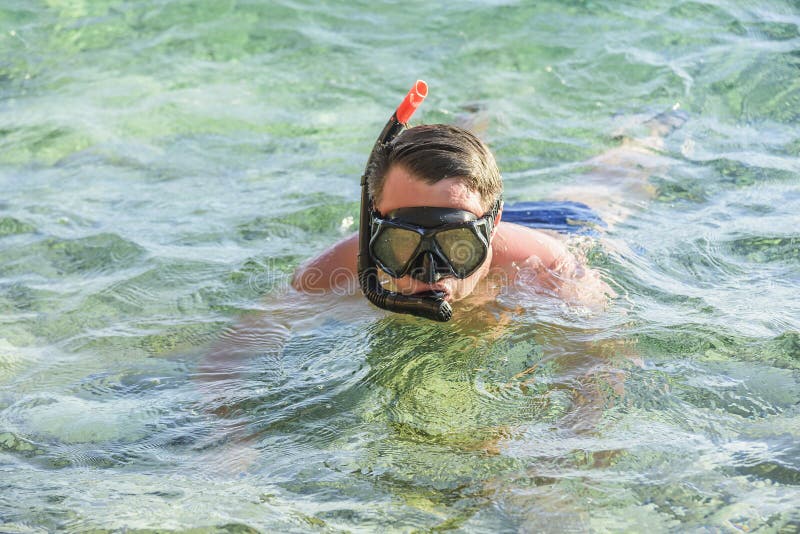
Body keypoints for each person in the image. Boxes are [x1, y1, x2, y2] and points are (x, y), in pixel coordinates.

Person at [291, 123, 613, 314]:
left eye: (456, 245)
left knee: (615, 180)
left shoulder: (546, 267)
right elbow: (247, 346)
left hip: (557, 225)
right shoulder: (340, 267)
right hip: (473, 213)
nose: (429, 273)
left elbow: (602, 369)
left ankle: (643, 134)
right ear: (373, 222)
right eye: (403, 242)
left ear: (494, 222)